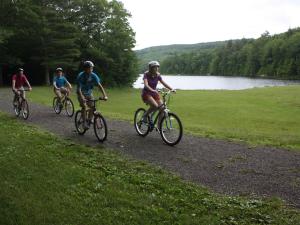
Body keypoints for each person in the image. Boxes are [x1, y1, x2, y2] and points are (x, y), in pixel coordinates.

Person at [76, 60, 108, 129]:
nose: (91, 69)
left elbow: (99, 86)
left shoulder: (93, 75)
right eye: (89, 68)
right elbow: (79, 89)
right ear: (85, 69)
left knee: (92, 107)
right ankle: (84, 122)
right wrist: (82, 98)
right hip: (81, 93)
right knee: (84, 106)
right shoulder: (81, 76)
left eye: (92, 68)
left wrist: (104, 95)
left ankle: (89, 120)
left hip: (89, 93)